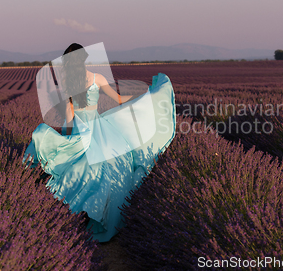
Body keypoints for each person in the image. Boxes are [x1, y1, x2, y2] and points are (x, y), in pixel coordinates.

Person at [23, 43, 176, 242]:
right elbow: (120, 100)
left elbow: (69, 118)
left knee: (77, 166)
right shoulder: (97, 78)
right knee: (113, 168)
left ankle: (64, 212)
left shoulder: (67, 84)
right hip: (99, 130)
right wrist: (143, 98)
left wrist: (68, 139)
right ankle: (97, 215)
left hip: (80, 130)